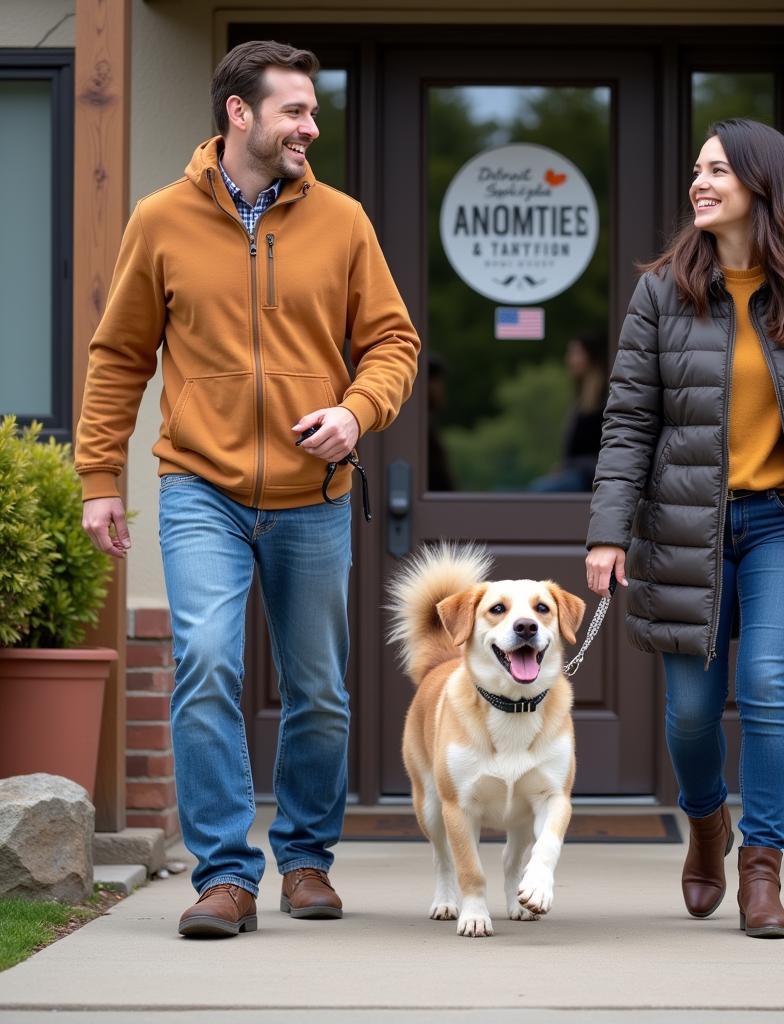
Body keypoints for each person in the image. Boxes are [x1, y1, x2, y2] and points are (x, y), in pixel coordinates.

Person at [75, 40, 420, 937]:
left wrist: (356, 412)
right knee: (205, 662)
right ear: (240, 114)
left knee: (318, 688)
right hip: (201, 487)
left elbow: (394, 343)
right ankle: (225, 875)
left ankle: (305, 861)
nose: (312, 126)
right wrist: (99, 475)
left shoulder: (342, 221)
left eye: (312, 111)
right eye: (295, 111)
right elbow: (119, 357)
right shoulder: (159, 219)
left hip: (314, 493)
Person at [584, 119, 784, 939]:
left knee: (765, 688)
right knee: (691, 714)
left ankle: (762, 870)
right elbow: (627, 421)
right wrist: (607, 530)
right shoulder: (663, 291)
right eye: (697, 170)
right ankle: (705, 824)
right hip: (688, 526)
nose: (700, 182)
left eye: (717, 170)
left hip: (783, 527)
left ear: (763, 185)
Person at [529, 332, 608, 492]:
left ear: (591, 357)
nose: (569, 360)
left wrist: (568, 466)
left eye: (575, 353)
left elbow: (604, 453)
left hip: (588, 478)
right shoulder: (582, 402)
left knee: (538, 491)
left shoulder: (605, 401)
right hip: (577, 474)